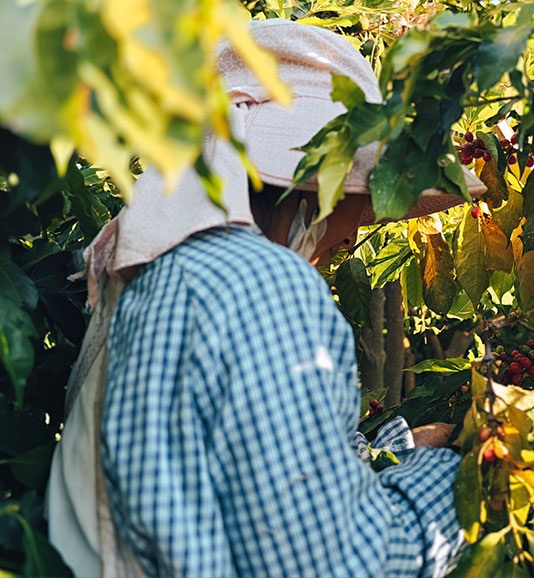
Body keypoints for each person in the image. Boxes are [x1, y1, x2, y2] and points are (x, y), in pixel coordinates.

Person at [45, 18, 486, 577]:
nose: (359, 229)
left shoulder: (160, 276)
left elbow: (245, 481)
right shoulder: (262, 286)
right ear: (305, 186)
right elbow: (340, 566)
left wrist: (399, 446)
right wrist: (454, 478)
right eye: (360, 193)